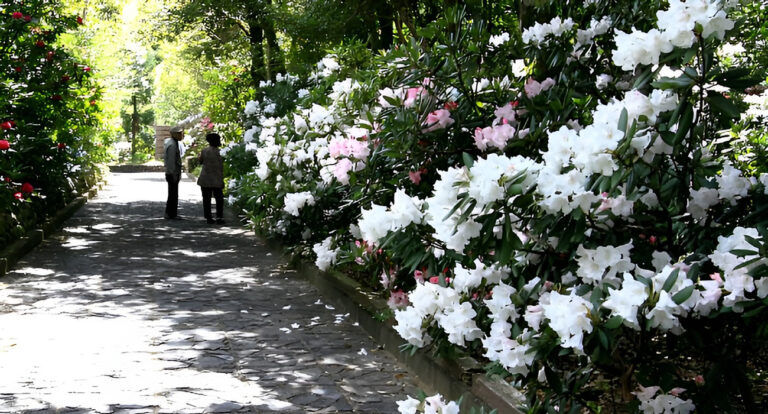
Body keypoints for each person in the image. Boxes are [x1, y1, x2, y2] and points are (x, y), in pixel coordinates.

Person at [197, 132, 225, 224]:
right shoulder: (220, 152)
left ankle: (208, 217)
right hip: (217, 178)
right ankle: (219, 217)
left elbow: (200, 161)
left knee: (206, 199)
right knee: (219, 199)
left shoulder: (204, 151)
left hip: (205, 178)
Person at [164, 126, 184, 220]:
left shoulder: (173, 143)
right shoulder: (172, 145)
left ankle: (171, 213)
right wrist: (173, 174)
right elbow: (171, 161)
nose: (182, 135)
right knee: (173, 194)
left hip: (172, 172)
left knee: (173, 194)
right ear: (175, 134)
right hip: (172, 173)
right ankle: (171, 214)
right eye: (180, 133)